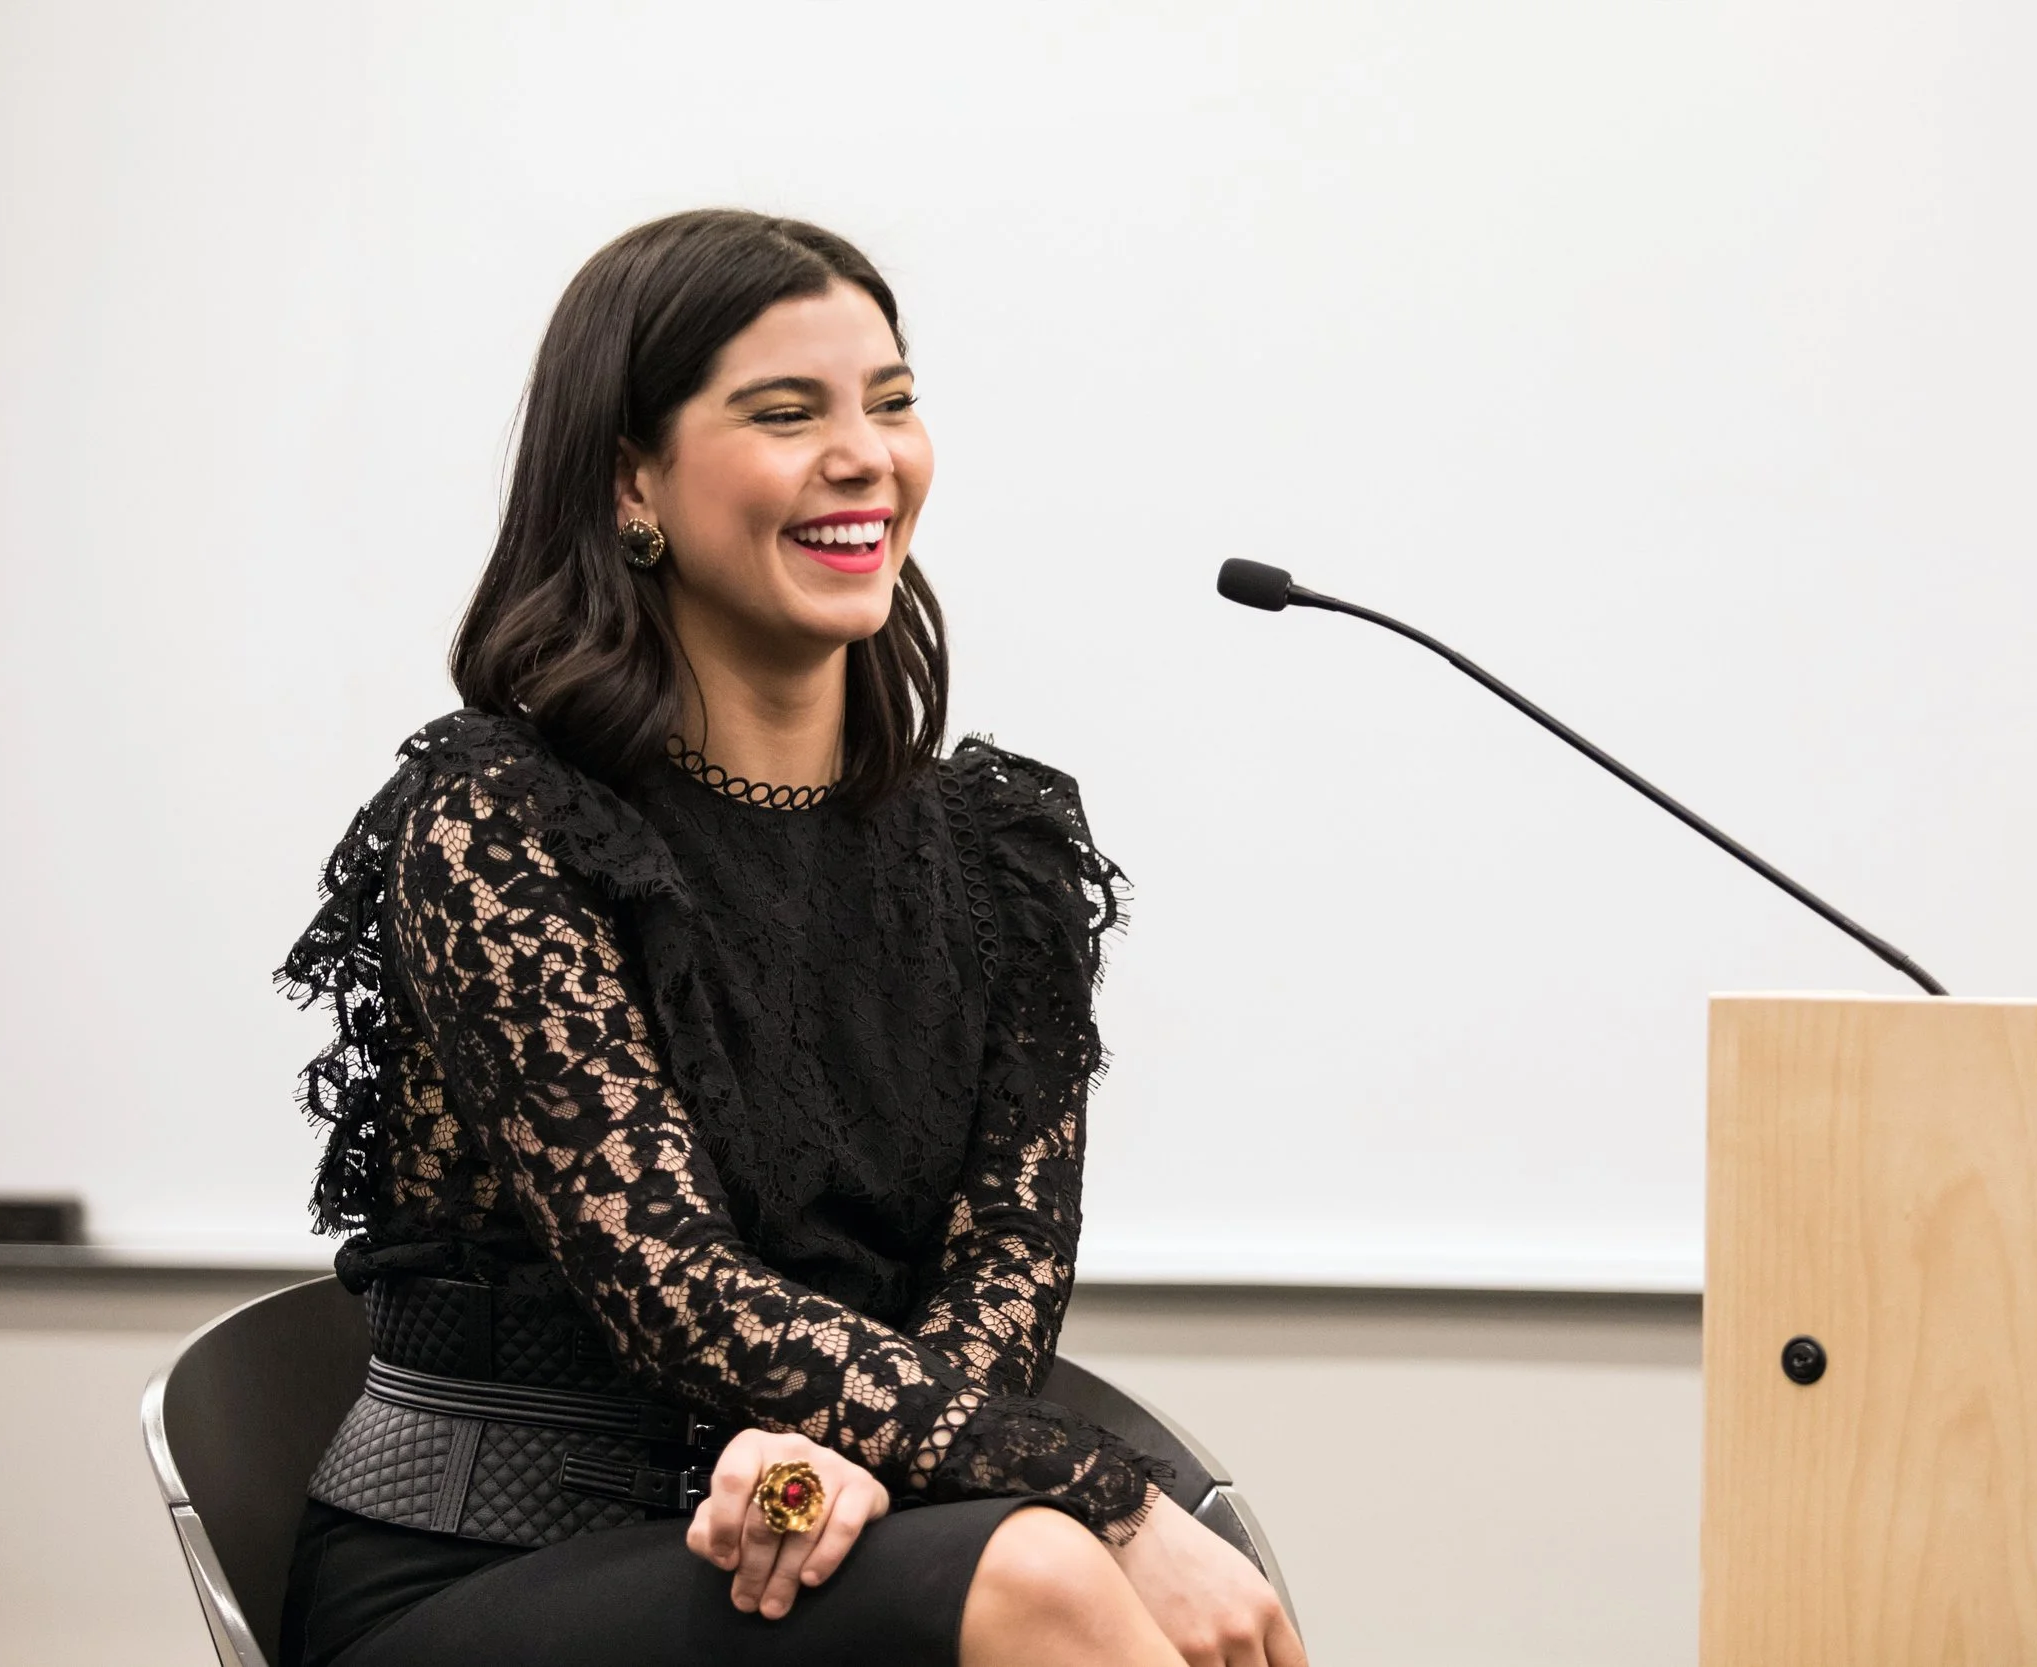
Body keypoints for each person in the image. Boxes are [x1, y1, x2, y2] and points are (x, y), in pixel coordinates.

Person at [272, 210, 1305, 1667]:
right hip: (485, 1575)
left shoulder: (996, 857)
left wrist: (834, 1474)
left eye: (892, 401)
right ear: (631, 480)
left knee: (1059, 1567)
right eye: (786, 413)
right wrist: (1112, 1497)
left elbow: (1000, 1288)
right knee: (1056, 1573)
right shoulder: (500, 824)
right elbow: (682, 1297)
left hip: (808, 1537)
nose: (866, 454)